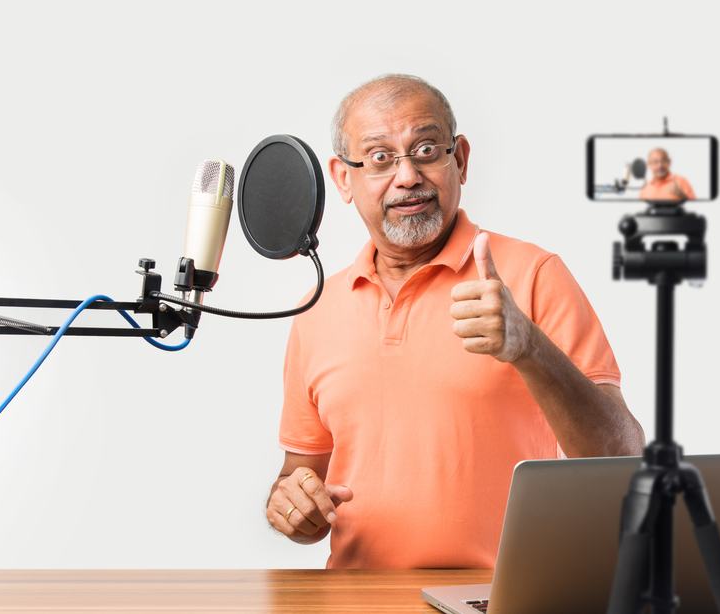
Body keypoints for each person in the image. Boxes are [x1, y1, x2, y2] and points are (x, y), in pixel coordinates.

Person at [265, 74, 644, 569]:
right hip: (356, 601)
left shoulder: (533, 275)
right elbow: (300, 479)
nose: (407, 177)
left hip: (500, 601)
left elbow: (622, 459)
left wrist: (528, 345)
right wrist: (292, 507)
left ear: (459, 159)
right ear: (343, 177)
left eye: (426, 150)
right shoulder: (316, 308)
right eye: (380, 157)